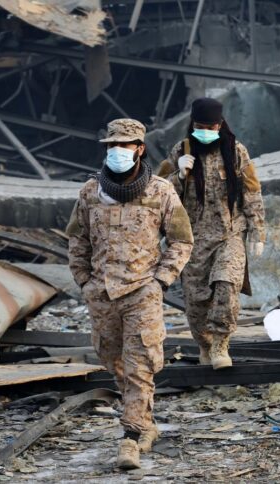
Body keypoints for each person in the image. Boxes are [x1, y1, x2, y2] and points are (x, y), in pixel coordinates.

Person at [66, 118, 193, 469]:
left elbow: (181, 240)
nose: (117, 151)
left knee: (140, 366)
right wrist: (84, 280)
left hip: (142, 291)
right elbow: (77, 239)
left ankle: (131, 439)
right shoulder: (91, 192)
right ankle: (147, 421)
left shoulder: (161, 191)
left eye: (125, 145)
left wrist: (161, 281)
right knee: (113, 361)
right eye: (111, 146)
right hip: (102, 293)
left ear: (139, 148)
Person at [156, 98, 265, 370]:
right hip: (192, 239)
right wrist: (178, 175)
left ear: (220, 124)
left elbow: (252, 191)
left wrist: (257, 231)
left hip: (230, 234)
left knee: (227, 284)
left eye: (211, 126)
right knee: (196, 302)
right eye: (200, 126)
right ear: (192, 124)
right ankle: (204, 345)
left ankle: (220, 344)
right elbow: (157, 193)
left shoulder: (236, 151)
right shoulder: (179, 152)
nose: (205, 130)